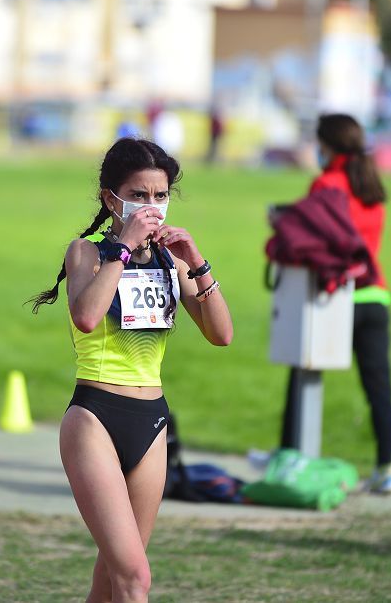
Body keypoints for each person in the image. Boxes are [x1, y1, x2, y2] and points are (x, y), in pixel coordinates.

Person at [30, 137, 233, 602]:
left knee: (114, 577)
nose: (151, 207)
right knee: (135, 578)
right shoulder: (87, 252)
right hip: (95, 418)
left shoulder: (171, 260)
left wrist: (197, 262)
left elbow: (221, 334)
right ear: (111, 199)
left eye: (159, 196)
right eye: (138, 196)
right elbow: (86, 314)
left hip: (152, 422)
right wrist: (122, 246)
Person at [306, 113, 391, 493]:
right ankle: (387, 467)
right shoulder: (371, 187)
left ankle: (292, 455)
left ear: (327, 145)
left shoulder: (326, 184)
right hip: (375, 294)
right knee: (379, 387)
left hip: (336, 294)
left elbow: (310, 235)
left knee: (303, 372)